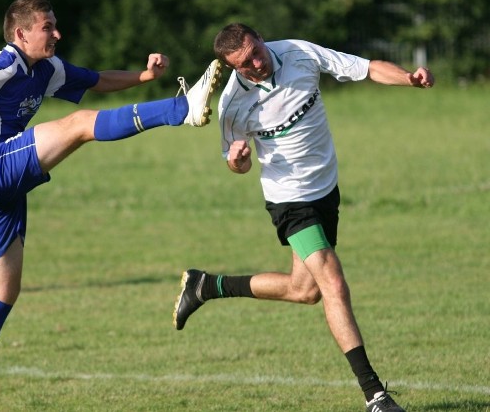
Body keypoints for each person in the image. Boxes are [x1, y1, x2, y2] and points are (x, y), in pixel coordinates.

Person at [0, 0, 223, 412]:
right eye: (47, 27)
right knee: (77, 126)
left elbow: (95, 79)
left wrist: (144, 76)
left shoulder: (48, 69)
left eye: (56, 25)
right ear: (21, 34)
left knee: (4, 288)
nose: (57, 34)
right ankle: (181, 108)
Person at [173, 23, 435, 412]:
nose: (257, 64)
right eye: (245, 65)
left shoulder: (299, 52)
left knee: (306, 290)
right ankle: (374, 394)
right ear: (233, 69)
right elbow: (233, 161)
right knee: (333, 282)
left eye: (256, 52)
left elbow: (364, 68)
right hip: (290, 202)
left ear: (260, 38)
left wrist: (408, 79)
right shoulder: (233, 104)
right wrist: (238, 161)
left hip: (326, 191)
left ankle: (207, 286)